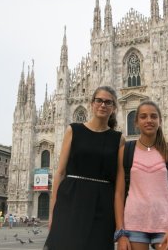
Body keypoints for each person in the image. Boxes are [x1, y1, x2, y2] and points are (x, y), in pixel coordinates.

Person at [44, 86, 124, 250]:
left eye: (108, 102)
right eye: (99, 100)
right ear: (91, 103)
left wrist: (119, 222)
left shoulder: (118, 139)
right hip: (71, 199)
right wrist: (52, 213)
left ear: (114, 108)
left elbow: (119, 185)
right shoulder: (73, 130)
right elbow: (59, 173)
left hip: (103, 203)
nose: (103, 105)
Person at [115, 100, 168, 250]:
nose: (149, 120)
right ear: (136, 122)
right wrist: (121, 233)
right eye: (143, 117)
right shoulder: (125, 151)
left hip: (165, 223)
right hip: (134, 223)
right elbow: (119, 194)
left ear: (160, 121)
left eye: (153, 116)